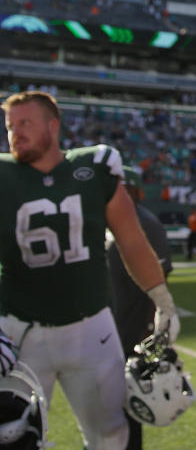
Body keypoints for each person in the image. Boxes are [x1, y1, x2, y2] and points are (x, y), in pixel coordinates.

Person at [0, 91, 180, 449]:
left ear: (53, 125)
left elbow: (131, 240)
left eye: (25, 123)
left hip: (90, 330)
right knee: (12, 434)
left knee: (111, 434)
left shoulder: (94, 167)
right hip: (19, 331)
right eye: (9, 126)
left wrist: (162, 299)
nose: (15, 133)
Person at [106, 165, 174, 450]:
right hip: (111, 328)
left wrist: (149, 331)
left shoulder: (146, 223)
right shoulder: (110, 220)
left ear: (133, 191)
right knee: (108, 413)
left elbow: (159, 278)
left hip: (131, 331)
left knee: (126, 416)